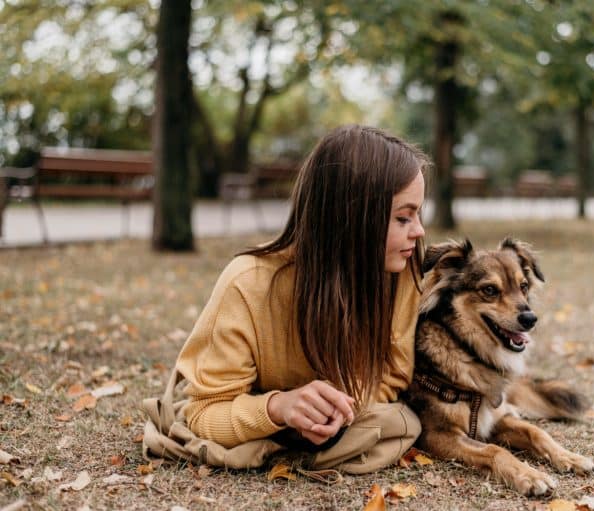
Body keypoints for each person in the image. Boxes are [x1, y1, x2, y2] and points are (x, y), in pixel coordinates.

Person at [172, 125, 428, 471]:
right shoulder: (248, 284)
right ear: (351, 217)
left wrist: (342, 407)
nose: (419, 231)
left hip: (346, 423)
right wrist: (280, 408)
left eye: (418, 214)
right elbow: (203, 411)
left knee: (400, 422)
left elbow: (394, 375)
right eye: (403, 217)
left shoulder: (402, 272)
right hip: (256, 411)